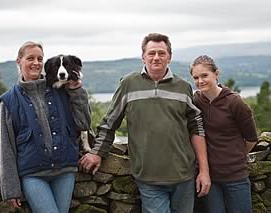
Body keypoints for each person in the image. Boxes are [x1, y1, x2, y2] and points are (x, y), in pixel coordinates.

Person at [79, 33, 211, 213]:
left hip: (184, 176)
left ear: (169, 57)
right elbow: (110, 123)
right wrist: (96, 152)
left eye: (161, 53)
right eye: (151, 53)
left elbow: (197, 128)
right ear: (143, 57)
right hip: (148, 178)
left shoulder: (183, 87)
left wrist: (204, 171)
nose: (156, 57)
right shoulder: (128, 84)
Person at [0, 41, 90, 213]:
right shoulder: (9, 100)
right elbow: (6, 145)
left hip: (65, 170)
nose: (36, 63)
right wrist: (10, 188)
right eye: (30, 58)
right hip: (33, 174)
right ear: (19, 61)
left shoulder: (61, 89)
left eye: (40, 58)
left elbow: (83, 123)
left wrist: (78, 92)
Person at [190, 55, 258, 213]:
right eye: (196, 77)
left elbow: (251, 138)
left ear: (216, 74)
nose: (200, 81)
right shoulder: (196, 101)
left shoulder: (235, 103)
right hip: (210, 179)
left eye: (205, 75)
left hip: (236, 177)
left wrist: (235, 156)